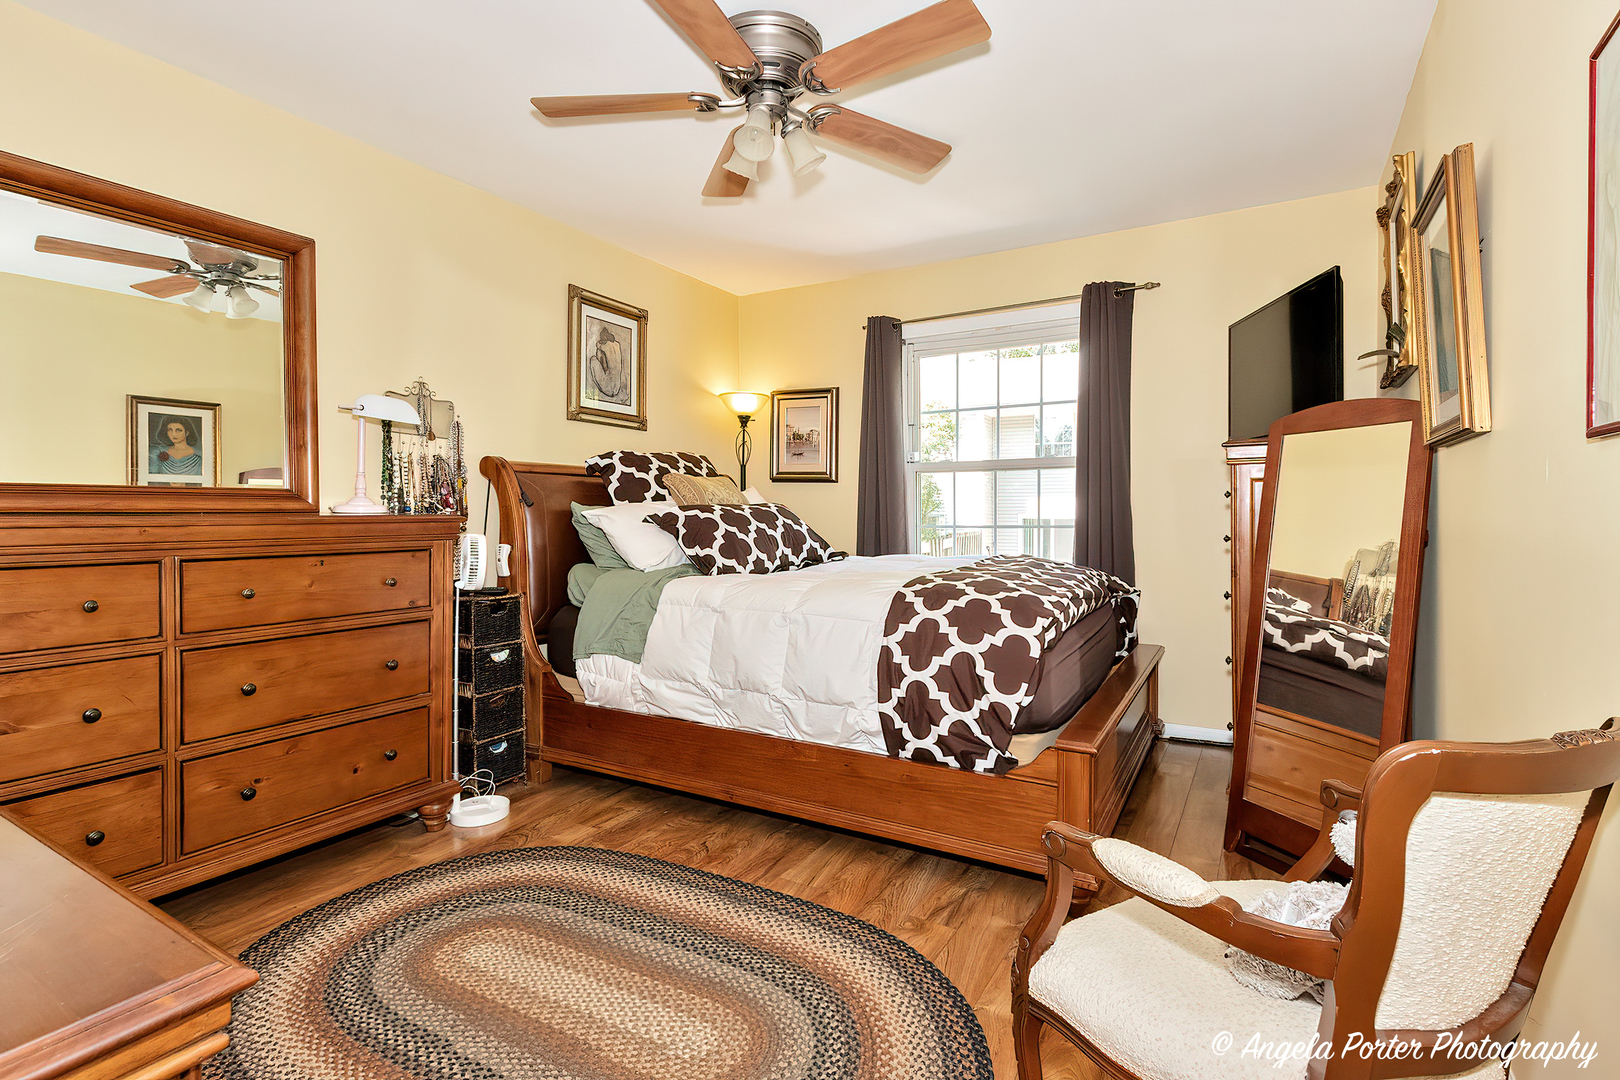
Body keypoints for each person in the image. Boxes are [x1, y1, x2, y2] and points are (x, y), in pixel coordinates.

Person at [587, 325, 628, 405]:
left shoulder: (601, 346)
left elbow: (604, 365)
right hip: (616, 388)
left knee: (593, 359)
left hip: (607, 388)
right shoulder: (617, 345)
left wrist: (599, 346)